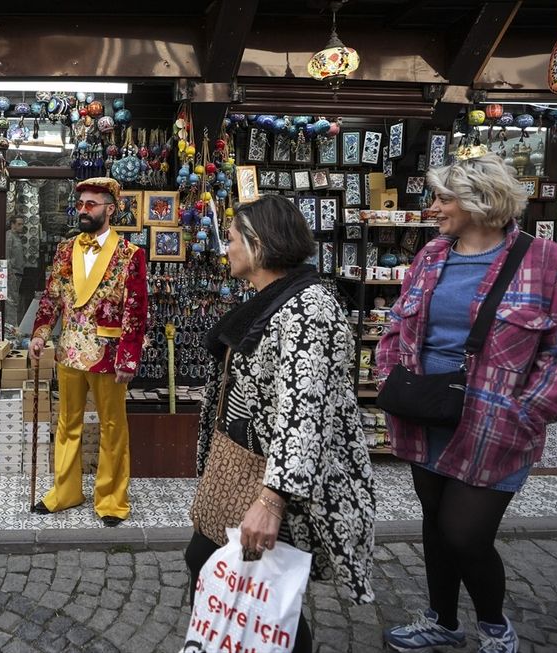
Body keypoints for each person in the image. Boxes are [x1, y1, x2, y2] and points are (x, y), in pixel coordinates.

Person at [377, 152, 557, 653]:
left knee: (465, 534)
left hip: (496, 426)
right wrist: (389, 374)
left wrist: (524, 415)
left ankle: (494, 627)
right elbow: (398, 324)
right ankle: (442, 620)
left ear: (480, 201)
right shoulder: (431, 255)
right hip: (427, 413)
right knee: (436, 527)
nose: (433, 208)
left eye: (443, 197)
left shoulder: (547, 262)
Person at [185, 195, 376, 652]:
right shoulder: (275, 300)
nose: (223, 249)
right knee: (219, 568)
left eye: (230, 240)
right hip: (238, 467)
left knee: (263, 590)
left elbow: (303, 410)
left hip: (271, 479)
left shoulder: (309, 308)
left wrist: (272, 500)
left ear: (258, 244)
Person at [28, 177, 148, 527]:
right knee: (67, 423)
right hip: (68, 349)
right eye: (80, 204)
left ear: (110, 209)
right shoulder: (64, 250)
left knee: (113, 426)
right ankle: (65, 491)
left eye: (91, 204)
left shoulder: (130, 255)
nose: (83, 210)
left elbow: (136, 309)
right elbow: (51, 297)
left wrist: (129, 356)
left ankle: (111, 499)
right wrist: (40, 333)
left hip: (109, 354)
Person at [5, 215, 26, 326]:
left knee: (14, 299)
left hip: (18, 272)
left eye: (22, 224)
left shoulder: (17, 237)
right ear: (12, 224)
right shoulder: (9, 237)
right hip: (12, 272)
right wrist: (10, 273)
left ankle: (12, 325)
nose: (21, 226)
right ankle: (10, 326)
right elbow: (7, 256)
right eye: (19, 224)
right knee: (11, 300)